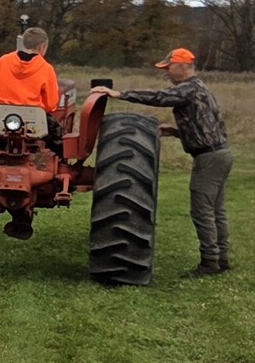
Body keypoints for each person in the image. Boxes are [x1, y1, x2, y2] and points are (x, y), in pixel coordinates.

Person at [98, 47, 232, 277]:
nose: (166, 73)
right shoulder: (201, 89)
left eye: (168, 67)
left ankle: (210, 263)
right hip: (220, 153)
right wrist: (178, 132)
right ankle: (222, 259)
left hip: (209, 159)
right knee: (216, 210)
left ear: (182, 66)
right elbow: (212, 129)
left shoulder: (188, 89)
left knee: (202, 211)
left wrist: (121, 94)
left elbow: (160, 97)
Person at [0, 27, 62, 115]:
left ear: (22, 43)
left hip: (0, 116)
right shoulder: (46, 69)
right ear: (41, 47)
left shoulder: (3, 61)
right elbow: (51, 104)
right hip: (33, 118)